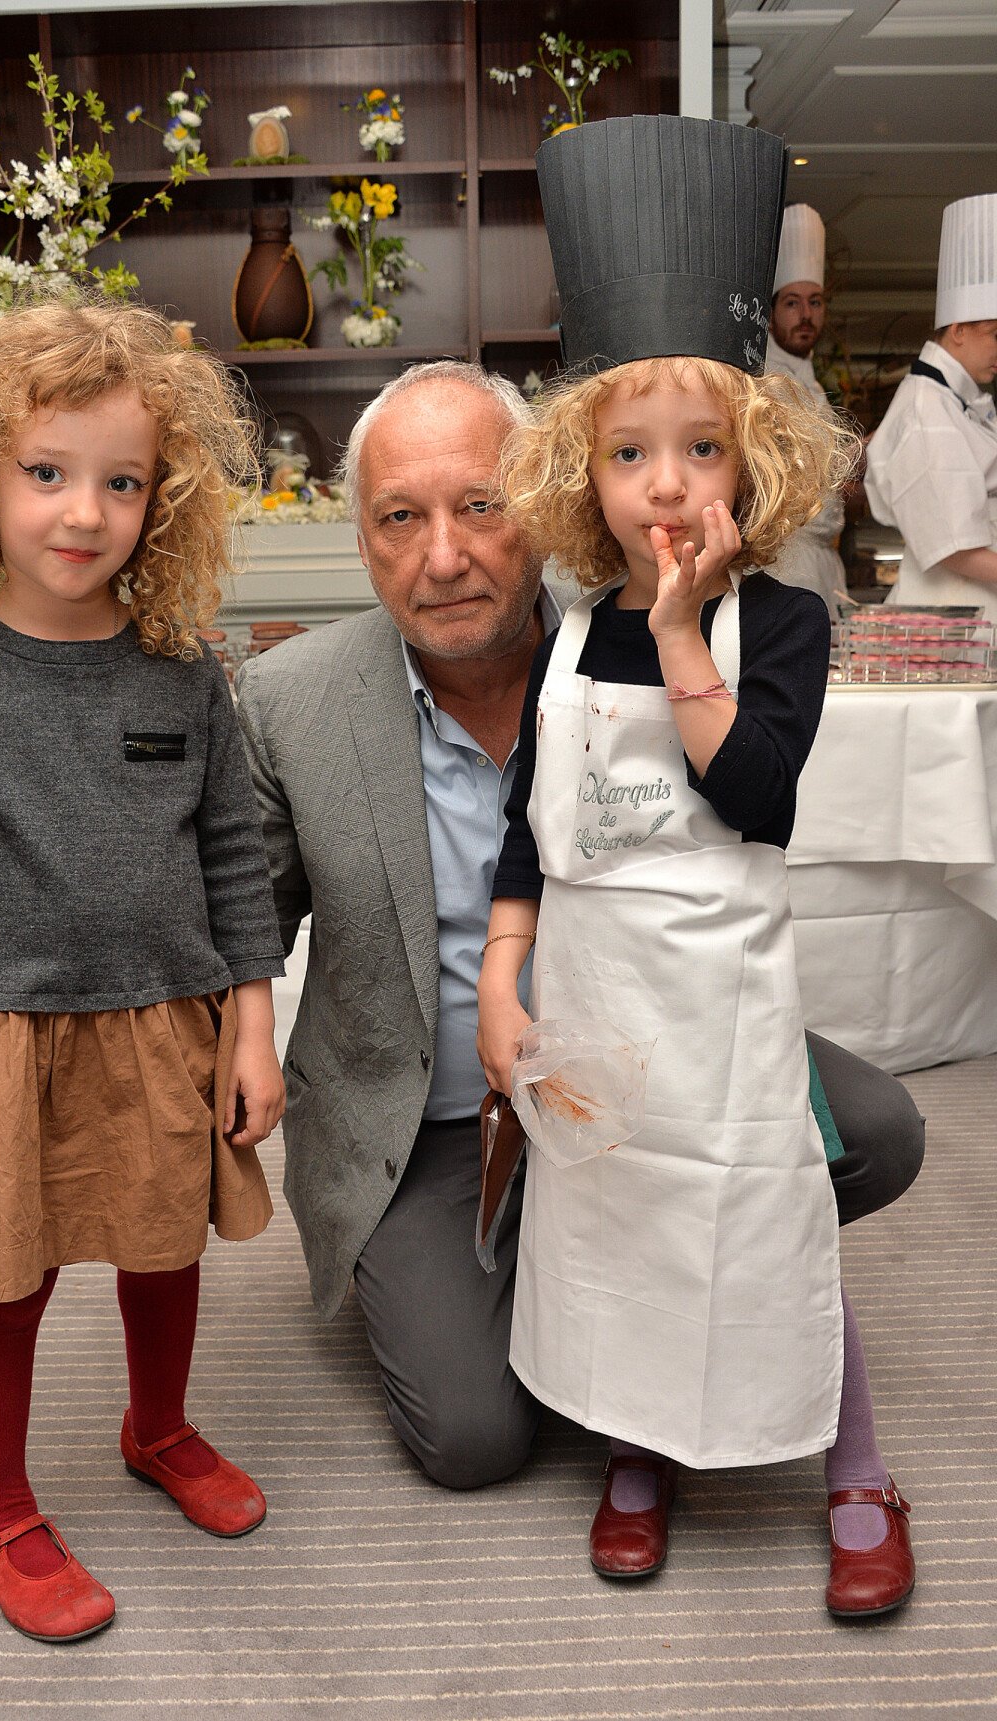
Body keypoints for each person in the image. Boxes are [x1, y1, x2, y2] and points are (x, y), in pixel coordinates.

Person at [235, 357, 925, 1501]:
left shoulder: (620, 636)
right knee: (475, 1438)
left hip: (671, 1045)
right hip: (443, 1118)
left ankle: (706, 1294)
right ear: (362, 540)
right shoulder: (290, 700)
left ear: (545, 505)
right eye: (399, 518)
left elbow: (753, 792)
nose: (442, 555)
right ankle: (494, 1267)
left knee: (878, 1130)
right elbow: (239, 923)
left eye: (480, 507)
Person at [478, 113, 916, 1620]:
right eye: (629, 452)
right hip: (596, 1000)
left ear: (759, 455)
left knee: (763, 1209)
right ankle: (638, 1454)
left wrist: (682, 633)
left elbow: (760, 793)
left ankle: (855, 1468)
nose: (666, 487)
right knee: (613, 1228)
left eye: (702, 448)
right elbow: (530, 811)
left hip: (724, 1006)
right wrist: (497, 975)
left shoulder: (781, 623)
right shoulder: (561, 630)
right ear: (579, 470)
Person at [0, 299, 287, 1643]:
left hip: (169, 1022)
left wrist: (255, 1028)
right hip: (2, 1035)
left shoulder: (183, 672)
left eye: (121, 481)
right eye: (46, 473)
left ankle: (156, 1427)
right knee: (12, 1275)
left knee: (165, 1252)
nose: (83, 512)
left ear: (162, 501)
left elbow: (236, 856)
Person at [866, 192, 997, 619]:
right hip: (953, 614)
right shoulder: (928, 410)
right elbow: (953, 550)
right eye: (995, 333)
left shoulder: (959, 403)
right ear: (958, 329)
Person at [766, 203, 848, 612]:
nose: (806, 316)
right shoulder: (762, 378)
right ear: (770, 315)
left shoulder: (810, 378)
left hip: (823, 561)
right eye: (792, 303)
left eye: (815, 303)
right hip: (786, 562)